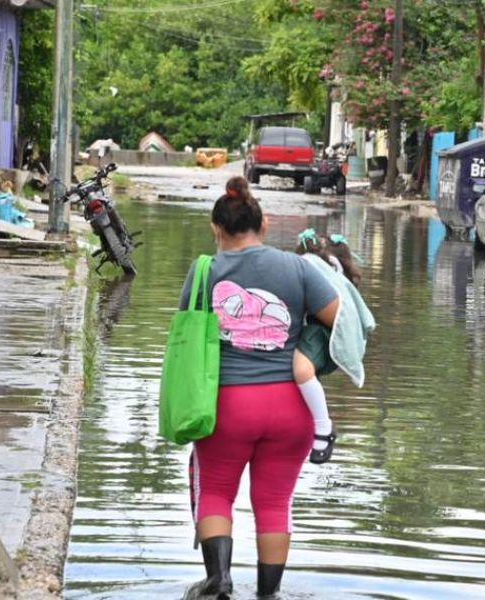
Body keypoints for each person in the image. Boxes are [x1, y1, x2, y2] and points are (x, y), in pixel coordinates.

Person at [181, 176, 340, 599]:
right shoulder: (298, 267)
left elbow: (186, 339)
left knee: (215, 490)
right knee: (274, 503)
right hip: (291, 408)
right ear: (264, 225)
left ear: (216, 228)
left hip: (226, 408)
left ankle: (218, 582)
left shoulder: (202, 273)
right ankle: (268, 595)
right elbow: (341, 324)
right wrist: (305, 351)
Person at [293, 229, 374, 464]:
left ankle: (323, 427)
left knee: (301, 368)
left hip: (322, 332)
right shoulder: (326, 271)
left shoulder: (321, 270)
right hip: (311, 328)